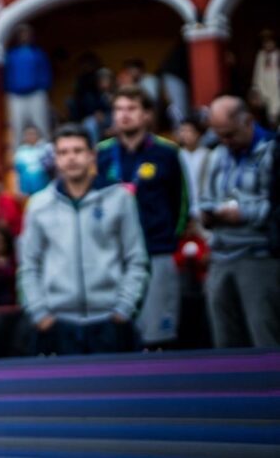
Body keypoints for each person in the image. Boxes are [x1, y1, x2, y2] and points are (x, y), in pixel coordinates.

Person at [19, 124, 149, 355]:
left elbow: (136, 258)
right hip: (58, 323)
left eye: (78, 151)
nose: (71, 158)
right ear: (56, 159)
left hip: (110, 320)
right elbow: (29, 265)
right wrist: (40, 314)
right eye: (63, 152)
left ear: (91, 155)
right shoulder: (39, 205)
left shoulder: (119, 199)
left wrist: (123, 309)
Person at [96, 85, 187, 348]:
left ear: (147, 114)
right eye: (119, 109)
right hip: (114, 257)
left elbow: (180, 203)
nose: (124, 115)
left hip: (156, 251)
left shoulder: (167, 152)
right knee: (118, 338)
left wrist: (168, 239)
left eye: (132, 109)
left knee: (159, 336)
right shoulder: (101, 153)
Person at [199, 96, 278, 347]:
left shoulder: (273, 151)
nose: (225, 141)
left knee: (264, 335)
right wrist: (207, 214)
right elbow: (205, 197)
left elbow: (275, 206)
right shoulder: (217, 155)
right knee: (225, 342)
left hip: (258, 256)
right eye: (219, 135)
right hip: (220, 256)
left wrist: (242, 214)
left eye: (230, 134)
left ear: (248, 121)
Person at [3, 24, 52, 146]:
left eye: (26, 33)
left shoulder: (38, 53)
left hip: (36, 93)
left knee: (41, 125)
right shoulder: (11, 54)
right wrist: (9, 89)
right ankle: (18, 156)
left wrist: (43, 87)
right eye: (21, 34)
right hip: (16, 96)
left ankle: (46, 153)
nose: (24, 36)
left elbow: (45, 72)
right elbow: (6, 74)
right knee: (17, 127)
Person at [13, 125, 52, 196]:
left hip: (44, 188)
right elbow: (17, 173)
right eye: (28, 134)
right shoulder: (20, 152)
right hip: (26, 189)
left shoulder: (46, 149)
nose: (31, 136)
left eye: (33, 134)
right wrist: (18, 190)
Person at [252, 29, 280, 127]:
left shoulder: (278, 54)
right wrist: (255, 87)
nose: (268, 45)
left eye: (270, 42)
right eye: (265, 43)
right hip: (264, 86)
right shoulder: (261, 55)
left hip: (276, 86)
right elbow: (257, 71)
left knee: (276, 109)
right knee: (267, 113)